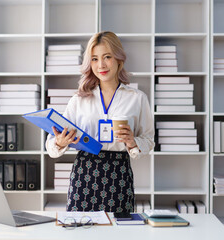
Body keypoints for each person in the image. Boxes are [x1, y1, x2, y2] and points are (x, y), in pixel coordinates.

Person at [46, 31, 154, 212]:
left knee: (118, 232)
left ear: (119, 59)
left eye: (107, 57)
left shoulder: (137, 98)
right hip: (84, 174)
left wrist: (132, 142)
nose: (101, 65)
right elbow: (51, 145)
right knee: (79, 231)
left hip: (118, 174)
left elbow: (149, 140)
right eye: (94, 59)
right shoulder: (78, 99)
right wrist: (60, 141)